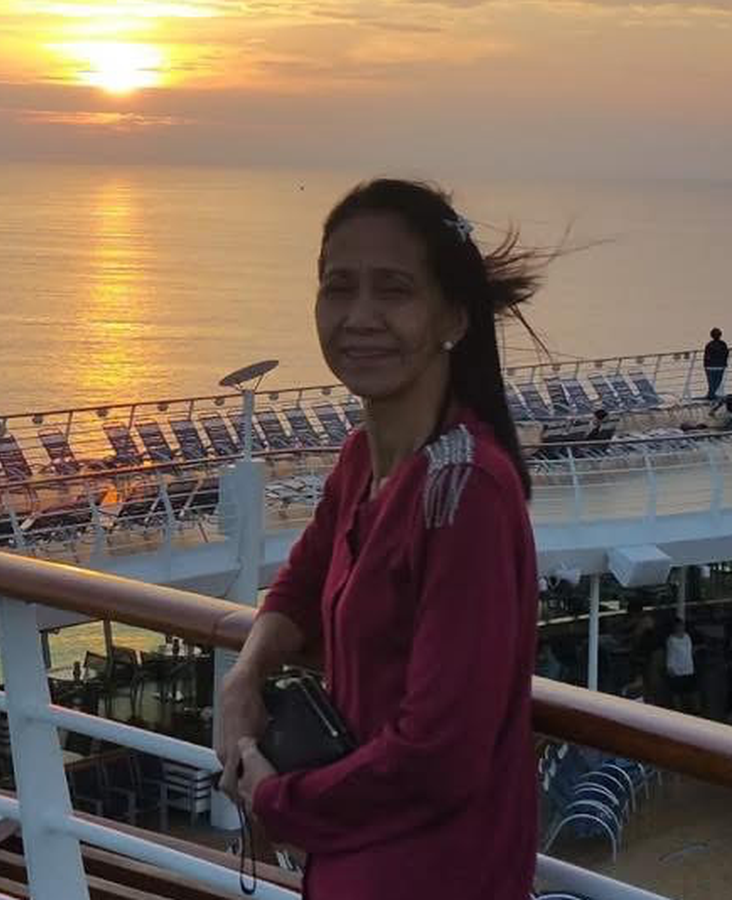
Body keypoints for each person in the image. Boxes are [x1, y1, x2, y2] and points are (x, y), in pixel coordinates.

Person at [217, 179, 543, 899]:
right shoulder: (363, 460)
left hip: (434, 874)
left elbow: (439, 756)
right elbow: (302, 584)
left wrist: (276, 800)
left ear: (453, 316)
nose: (360, 316)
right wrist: (245, 677)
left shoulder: (465, 494)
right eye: (339, 288)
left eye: (394, 290)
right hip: (352, 859)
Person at [666, 616, 698, 714]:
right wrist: (670, 668)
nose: (680, 627)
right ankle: (679, 712)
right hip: (677, 671)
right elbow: (670, 655)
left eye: (682, 625)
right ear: (674, 627)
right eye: (678, 626)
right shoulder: (671, 640)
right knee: (677, 694)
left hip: (689, 669)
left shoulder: (687, 636)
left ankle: (695, 712)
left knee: (692, 693)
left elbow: (690, 651)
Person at [704, 327, 728, 401]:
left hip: (710, 367)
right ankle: (711, 395)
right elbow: (726, 354)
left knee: (711, 383)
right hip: (720, 366)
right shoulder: (723, 344)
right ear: (720, 335)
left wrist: (705, 366)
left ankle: (711, 395)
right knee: (717, 383)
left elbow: (706, 356)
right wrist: (724, 364)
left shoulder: (709, 344)